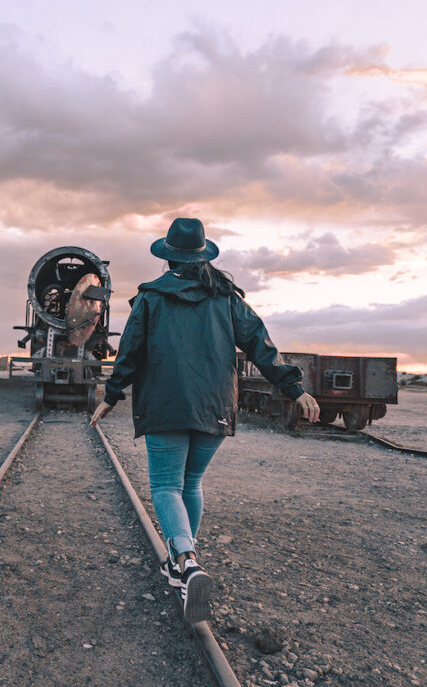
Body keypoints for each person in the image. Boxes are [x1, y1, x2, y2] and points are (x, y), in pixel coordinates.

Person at [90, 217, 320, 623]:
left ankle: (186, 561)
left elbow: (129, 353)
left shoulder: (151, 298)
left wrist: (111, 396)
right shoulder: (228, 298)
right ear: (202, 255)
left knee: (165, 485)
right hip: (215, 404)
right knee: (190, 483)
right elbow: (261, 347)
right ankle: (184, 563)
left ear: (169, 257)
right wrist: (294, 389)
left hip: (165, 404)